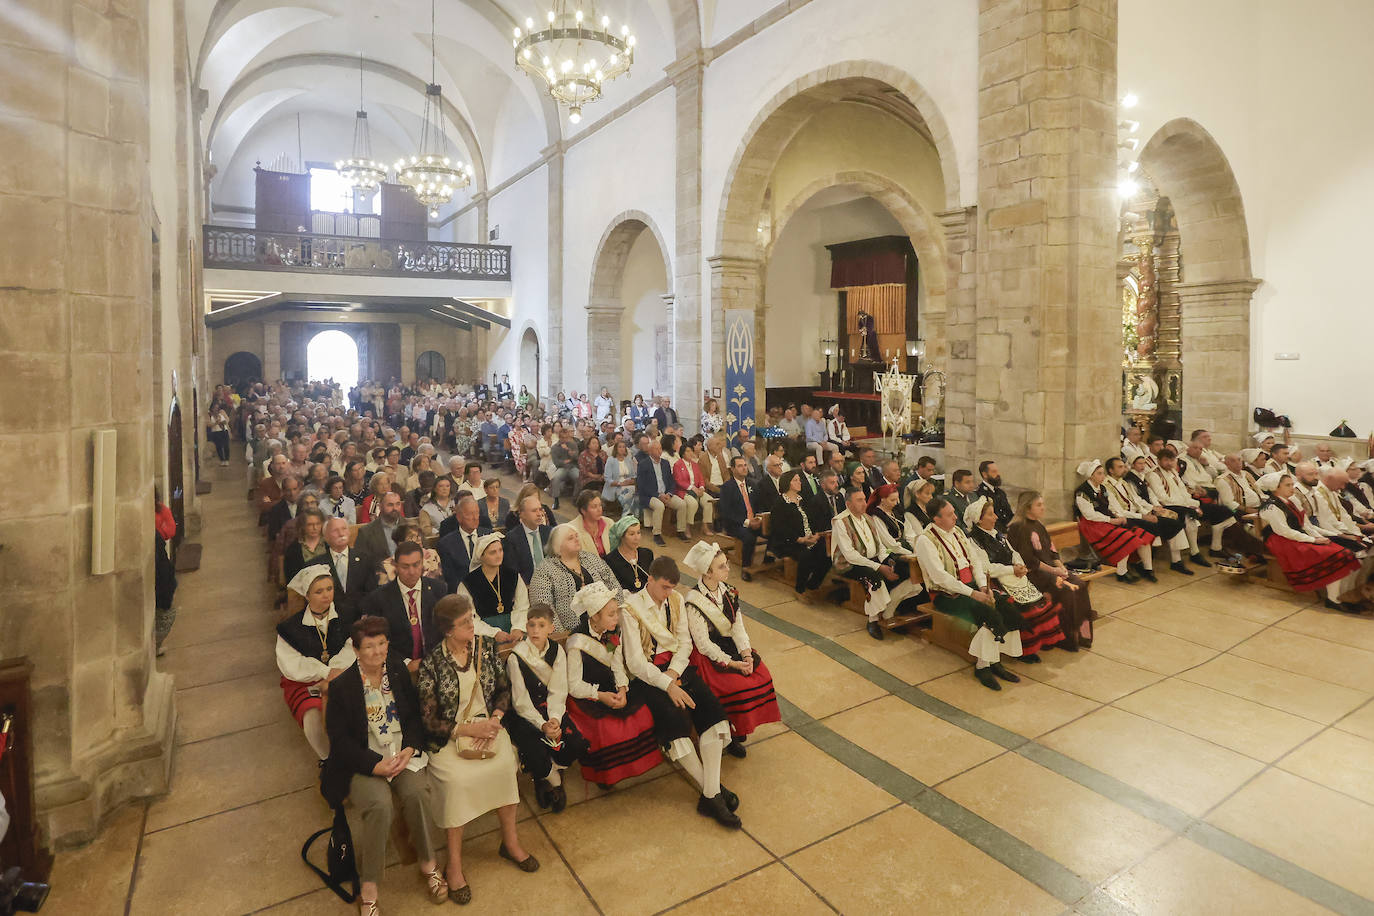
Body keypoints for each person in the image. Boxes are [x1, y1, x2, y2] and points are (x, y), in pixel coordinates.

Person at [322, 615, 447, 914]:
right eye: (369, 646)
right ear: (355, 650)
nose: (377, 652)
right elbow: (339, 741)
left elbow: (415, 717)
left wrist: (410, 747)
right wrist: (374, 766)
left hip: (401, 753)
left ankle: (428, 863)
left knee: (417, 795)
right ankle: (369, 887)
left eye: (382, 644)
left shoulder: (397, 672)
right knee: (380, 806)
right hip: (364, 761)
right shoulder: (342, 687)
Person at [418, 595, 538, 906]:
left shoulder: (484, 647)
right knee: (457, 782)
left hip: (487, 727)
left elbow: (502, 690)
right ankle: (454, 865)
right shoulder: (432, 663)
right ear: (447, 630)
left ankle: (509, 843)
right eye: (465, 623)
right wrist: (467, 730)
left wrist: (495, 720)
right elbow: (428, 719)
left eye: (472, 619)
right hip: (449, 738)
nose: (473, 625)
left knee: (504, 763)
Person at [618, 556, 741, 827]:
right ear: (649, 579)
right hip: (647, 679)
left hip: (676, 668)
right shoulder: (629, 609)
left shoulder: (676, 599)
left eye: (672, 588)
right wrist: (667, 684)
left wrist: (674, 675)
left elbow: (685, 643)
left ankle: (711, 794)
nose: (668, 593)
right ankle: (714, 791)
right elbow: (636, 663)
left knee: (713, 714)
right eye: (663, 587)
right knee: (673, 724)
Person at [914, 498, 1024, 691]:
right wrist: (973, 593)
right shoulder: (925, 540)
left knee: (1005, 604)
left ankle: (994, 661)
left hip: (971, 587)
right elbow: (940, 577)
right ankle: (982, 667)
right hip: (945, 595)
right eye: (949, 514)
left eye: (953, 512)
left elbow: (975, 563)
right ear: (936, 519)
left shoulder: (957, 532)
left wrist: (983, 586)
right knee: (987, 612)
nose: (955, 516)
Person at [682, 541, 782, 749]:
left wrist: (745, 655)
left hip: (730, 646)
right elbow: (703, 644)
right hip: (710, 655)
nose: (728, 569)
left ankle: (740, 729)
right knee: (734, 686)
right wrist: (734, 664)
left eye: (726, 564)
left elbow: (737, 627)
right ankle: (729, 733)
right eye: (721, 566)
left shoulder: (729, 591)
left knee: (760, 675)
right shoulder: (693, 601)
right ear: (707, 573)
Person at [564, 582, 665, 788]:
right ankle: (607, 775)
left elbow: (616, 664)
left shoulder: (612, 633)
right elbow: (574, 685)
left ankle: (634, 765)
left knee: (642, 714)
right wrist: (600, 695)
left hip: (610, 688)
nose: (616, 618)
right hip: (587, 695)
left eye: (616, 613)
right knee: (607, 727)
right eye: (611, 614)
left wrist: (622, 689)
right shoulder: (577, 642)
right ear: (594, 616)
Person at [505, 604, 589, 813]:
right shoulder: (517, 657)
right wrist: (542, 724)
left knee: (575, 743)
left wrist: (554, 719)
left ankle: (554, 770)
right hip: (525, 715)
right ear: (526, 627)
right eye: (531, 625)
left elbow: (559, 690)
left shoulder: (556, 650)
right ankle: (551, 780)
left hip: (552, 709)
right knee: (535, 751)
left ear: (551, 628)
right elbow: (520, 701)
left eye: (541, 625)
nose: (535, 630)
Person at [966, 498, 1064, 662]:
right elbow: (985, 568)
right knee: (1023, 608)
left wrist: (1020, 565)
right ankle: (1025, 650)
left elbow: (1013, 552)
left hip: (1013, 574)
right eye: (991, 515)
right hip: (995, 580)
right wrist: (1012, 569)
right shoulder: (974, 540)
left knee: (1039, 603)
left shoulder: (997, 534)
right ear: (979, 519)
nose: (996, 517)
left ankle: (1041, 640)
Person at [275, 569, 357, 759]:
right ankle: (328, 759)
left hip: (343, 673)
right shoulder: (289, 628)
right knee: (312, 715)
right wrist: (325, 671)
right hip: (306, 681)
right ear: (307, 595)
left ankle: (355, 755)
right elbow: (291, 664)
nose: (326, 595)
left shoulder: (348, 615)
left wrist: (335, 672)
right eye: (318, 591)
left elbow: (352, 647)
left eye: (329, 589)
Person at [1256, 473, 1362, 611]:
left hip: (1298, 535)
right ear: (1275, 488)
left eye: (1292, 484)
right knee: (1338, 554)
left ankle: (1338, 596)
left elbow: (1306, 525)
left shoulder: (1293, 500)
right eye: (1287, 485)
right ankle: (1333, 599)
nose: (1292, 488)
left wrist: (1331, 535)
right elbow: (1284, 531)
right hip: (1282, 541)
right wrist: (1314, 540)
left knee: (1346, 549)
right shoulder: (1270, 507)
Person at [1008, 491, 1096, 650]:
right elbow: (1030, 561)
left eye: (1043, 504)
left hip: (1050, 571)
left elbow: (1052, 550)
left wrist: (1061, 567)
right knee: (1068, 590)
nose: (1043, 508)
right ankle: (1066, 637)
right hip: (1034, 575)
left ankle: (1082, 634)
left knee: (1080, 585)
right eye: (1039, 505)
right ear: (1028, 508)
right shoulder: (1018, 528)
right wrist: (1055, 572)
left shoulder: (1039, 525)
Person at [831, 487, 919, 640]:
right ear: (848, 504)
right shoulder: (840, 522)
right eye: (859, 500)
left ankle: (889, 611)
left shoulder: (868, 518)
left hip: (873, 560)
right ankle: (873, 621)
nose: (864, 503)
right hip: (849, 564)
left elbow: (881, 546)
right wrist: (880, 567)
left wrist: (888, 561)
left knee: (905, 570)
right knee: (873, 576)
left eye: (864, 499)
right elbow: (850, 554)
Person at [361, 542, 447, 673]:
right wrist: (405, 663)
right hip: (397, 667)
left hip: (436, 663)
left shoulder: (439, 589)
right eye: (405, 566)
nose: (411, 571)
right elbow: (377, 640)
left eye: (416, 565)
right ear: (395, 566)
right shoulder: (378, 599)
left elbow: (445, 629)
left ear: (422, 563)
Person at [1073, 459, 1157, 583]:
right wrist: (1111, 520)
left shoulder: (1103, 488)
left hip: (1106, 520)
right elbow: (1089, 515)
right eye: (1099, 474)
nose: (1103, 476)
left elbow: (1112, 506)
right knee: (1126, 537)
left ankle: (1147, 569)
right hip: (1092, 525)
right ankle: (1121, 573)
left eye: (1103, 473)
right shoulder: (1082, 492)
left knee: (1142, 535)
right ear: (1091, 476)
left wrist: (1118, 516)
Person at [528, 523, 621, 632]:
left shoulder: (591, 558)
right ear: (558, 545)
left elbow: (614, 586)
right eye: (570, 538)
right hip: (570, 633)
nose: (577, 539)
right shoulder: (545, 570)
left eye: (577, 536)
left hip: (604, 626)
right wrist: (563, 636)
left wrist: (612, 616)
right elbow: (543, 608)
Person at [1146, 449, 1212, 574]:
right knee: (1183, 516)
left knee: (1191, 516)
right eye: (1166, 460)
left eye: (1171, 460)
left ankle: (1194, 552)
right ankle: (1177, 560)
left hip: (1181, 505)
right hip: (1164, 507)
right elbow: (1162, 497)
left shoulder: (1173, 473)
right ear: (1159, 460)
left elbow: (1183, 492)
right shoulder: (1154, 474)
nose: (1169, 463)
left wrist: (1192, 504)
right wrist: (1186, 506)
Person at [768, 469, 832, 598]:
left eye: (799, 480)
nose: (800, 482)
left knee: (828, 554)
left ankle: (813, 585)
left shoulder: (803, 500)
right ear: (788, 483)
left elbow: (813, 520)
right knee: (806, 555)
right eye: (796, 480)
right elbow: (780, 528)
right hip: (788, 542)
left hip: (808, 539)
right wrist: (800, 540)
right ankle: (800, 589)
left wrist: (816, 535)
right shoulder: (780, 503)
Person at [455, 533, 528, 637]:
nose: (499, 555)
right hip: (483, 634)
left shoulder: (513, 576)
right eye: (493, 552)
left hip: (514, 630)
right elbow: (469, 618)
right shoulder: (468, 583)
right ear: (481, 556)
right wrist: (494, 633)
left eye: (500, 550)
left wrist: (518, 628)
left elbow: (522, 607)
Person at [717, 456, 765, 580]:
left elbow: (760, 505)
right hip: (736, 524)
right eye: (740, 466)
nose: (744, 468)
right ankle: (746, 568)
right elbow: (727, 512)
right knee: (749, 537)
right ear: (732, 469)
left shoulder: (753, 484)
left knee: (772, 530)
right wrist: (748, 522)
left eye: (745, 465)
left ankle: (768, 559)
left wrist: (759, 519)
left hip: (754, 520)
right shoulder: (727, 487)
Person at [637, 436, 686, 546]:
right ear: (650, 451)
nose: (659, 451)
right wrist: (658, 495)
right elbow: (642, 486)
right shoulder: (643, 464)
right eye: (656, 449)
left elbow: (671, 481)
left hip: (666, 494)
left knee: (682, 504)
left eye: (660, 448)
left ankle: (681, 531)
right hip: (649, 496)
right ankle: (657, 535)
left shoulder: (665, 463)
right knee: (659, 506)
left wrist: (669, 493)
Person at [437, 497, 492, 593]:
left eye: (476, 513)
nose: (475, 518)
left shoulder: (489, 536)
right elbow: (451, 579)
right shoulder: (446, 544)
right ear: (459, 517)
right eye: (470, 514)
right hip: (462, 594)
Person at [503, 492, 551, 584]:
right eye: (534, 511)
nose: (539, 514)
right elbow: (512, 571)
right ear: (522, 514)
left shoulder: (549, 532)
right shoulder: (512, 538)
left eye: (540, 510)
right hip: (526, 587)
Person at [673, 436, 717, 535]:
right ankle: (687, 526)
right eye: (688, 451)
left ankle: (705, 526)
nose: (690, 453)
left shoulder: (695, 464)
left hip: (697, 489)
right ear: (683, 453)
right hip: (684, 491)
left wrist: (701, 488)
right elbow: (678, 481)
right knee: (693, 503)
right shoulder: (678, 465)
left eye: (691, 451)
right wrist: (692, 488)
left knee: (709, 501)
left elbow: (701, 478)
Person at [604, 516, 654, 593]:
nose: (637, 538)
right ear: (622, 537)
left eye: (638, 533)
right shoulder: (610, 560)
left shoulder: (647, 554)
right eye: (632, 534)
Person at [355, 490, 404, 566]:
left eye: (398, 504)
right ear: (380, 507)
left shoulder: (410, 526)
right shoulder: (366, 532)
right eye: (390, 505)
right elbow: (360, 563)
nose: (395, 508)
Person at [283, 507, 328, 584]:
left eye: (318, 524)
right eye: (310, 525)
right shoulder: (293, 549)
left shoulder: (329, 544)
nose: (315, 528)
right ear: (303, 526)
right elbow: (291, 577)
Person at [866, 483, 911, 552]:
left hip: (900, 546)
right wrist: (908, 552)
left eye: (897, 500)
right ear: (882, 499)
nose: (895, 503)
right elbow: (888, 543)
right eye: (892, 500)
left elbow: (908, 532)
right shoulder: (877, 516)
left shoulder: (895, 511)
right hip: (887, 551)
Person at [601, 439, 638, 516]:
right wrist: (620, 483)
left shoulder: (628, 460)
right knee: (628, 493)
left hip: (628, 484)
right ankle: (626, 516)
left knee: (637, 494)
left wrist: (631, 481)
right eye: (620, 447)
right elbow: (607, 478)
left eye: (624, 447)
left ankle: (635, 516)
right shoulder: (611, 460)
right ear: (616, 449)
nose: (622, 449)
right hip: (615, 485)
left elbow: (633, 476)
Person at [569, 490, 611, 556]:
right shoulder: (572, 529)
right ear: (583, 511)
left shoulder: (609, 523)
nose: (599, 510)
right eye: (594, 507)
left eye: (600, 505)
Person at [975, 460, 1014, 531]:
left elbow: (1009, 513)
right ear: (985, 474)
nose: (998, 474)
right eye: (994, 472)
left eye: (997, 471)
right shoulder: (980, 493)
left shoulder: (1000, 493)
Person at [548, 428, 580, 510]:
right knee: (555, 478)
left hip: (572, 467)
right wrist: (564, 462)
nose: (565, 439)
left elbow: (576, 458)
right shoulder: (554, 447)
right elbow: (556, 462)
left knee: (579, 477)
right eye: (562, 437)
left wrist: (568, 450)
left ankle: (575, 498)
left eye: (566, 437)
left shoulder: (573, 445)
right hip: (562, 468)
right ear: (559, 437)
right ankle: (556, 499)